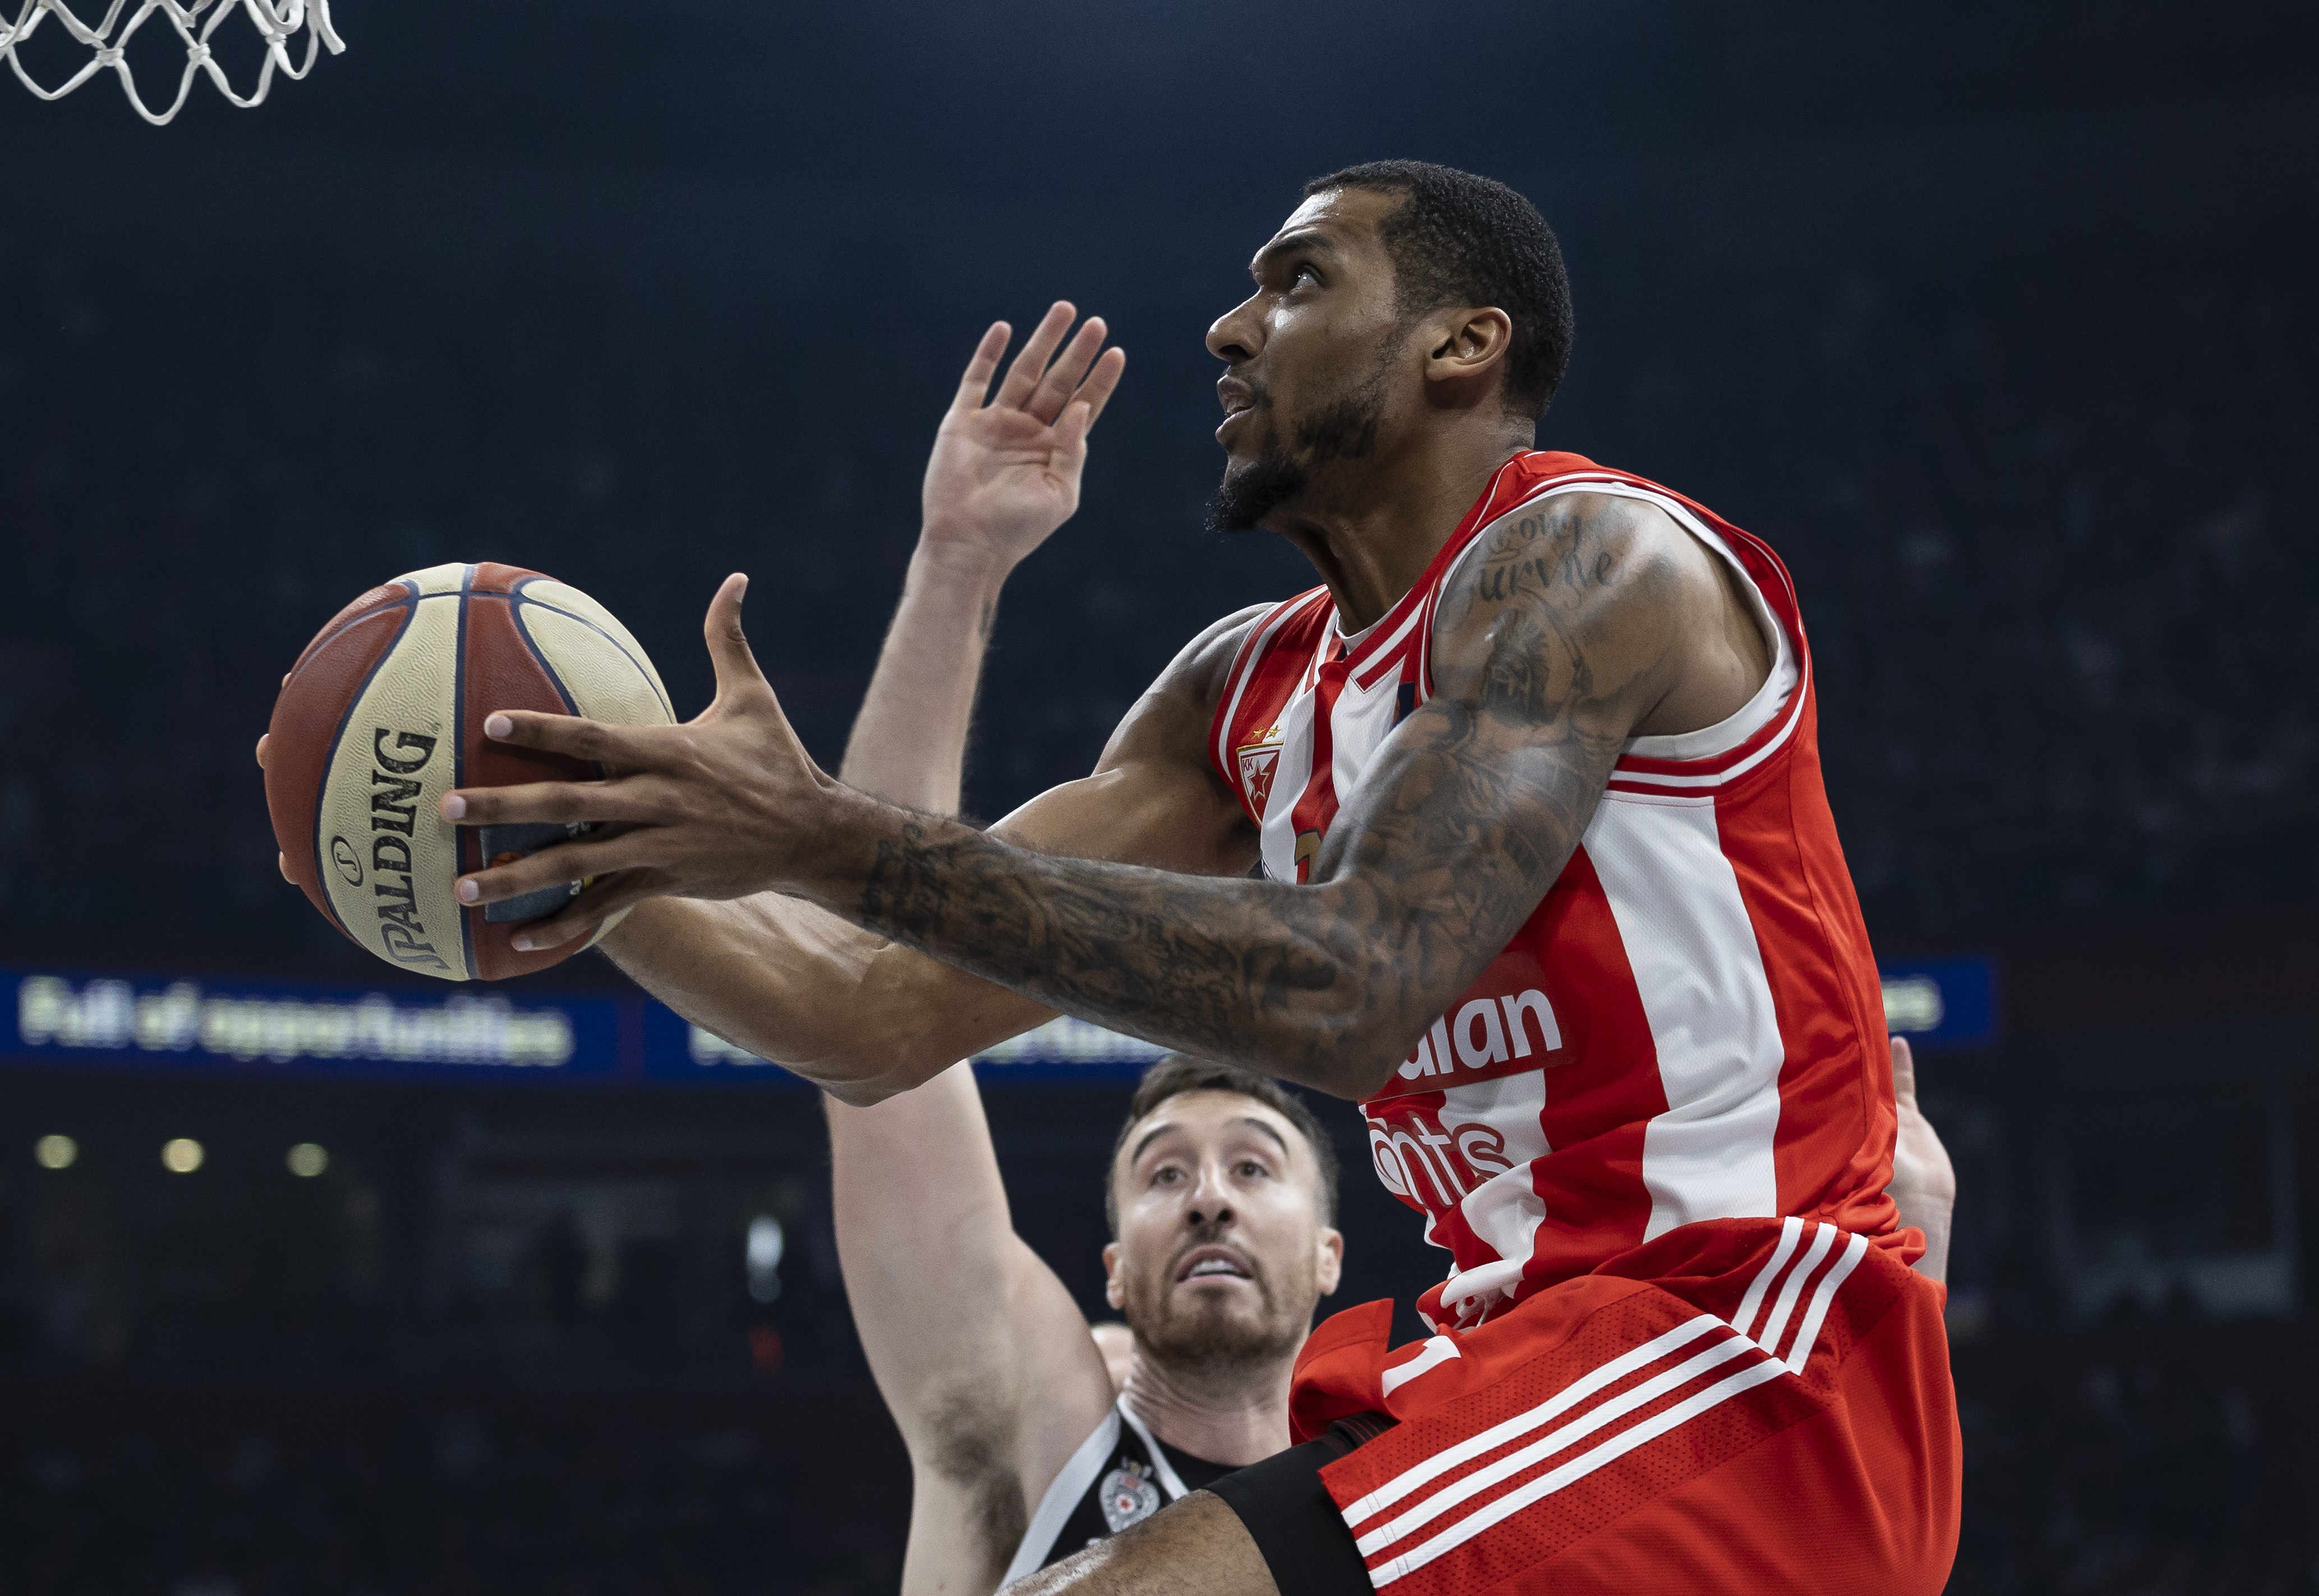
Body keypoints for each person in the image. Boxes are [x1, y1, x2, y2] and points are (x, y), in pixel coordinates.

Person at [428, 159, 1964, 1590]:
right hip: (1512, 1347)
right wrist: (580, 856)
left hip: (1747, 1351)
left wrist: (812, 830)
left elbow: (1351, 981)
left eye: (1296, 282)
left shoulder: (1590, 563)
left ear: (1460, 344)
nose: (1229, 330)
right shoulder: (1240, 692)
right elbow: (863, 1012)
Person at [807, 326, 1958, 1595]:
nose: (1207, 1197)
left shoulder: (1476, 1440)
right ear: (1111, 1269)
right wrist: (957, 565)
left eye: (1253, 1164)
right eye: (1162, 1174)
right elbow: (876, 990)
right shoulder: (1033, 1408)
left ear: (1337, 1261)